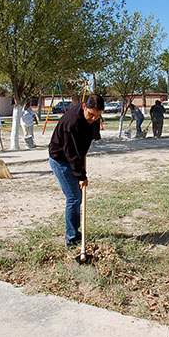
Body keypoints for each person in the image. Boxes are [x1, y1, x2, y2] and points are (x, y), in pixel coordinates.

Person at [48, 94, 104, 247]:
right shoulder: (71, 122)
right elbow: (70, 153)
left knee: (76, 197)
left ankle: (76, 233)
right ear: (84, 107)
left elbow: (88, 136)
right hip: (60, 159)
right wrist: (81, 175)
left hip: (73, 156)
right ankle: (72, 239)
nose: (93, 118)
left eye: (97, 116)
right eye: (91, 114)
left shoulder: (91, 118)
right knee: (74, 198)